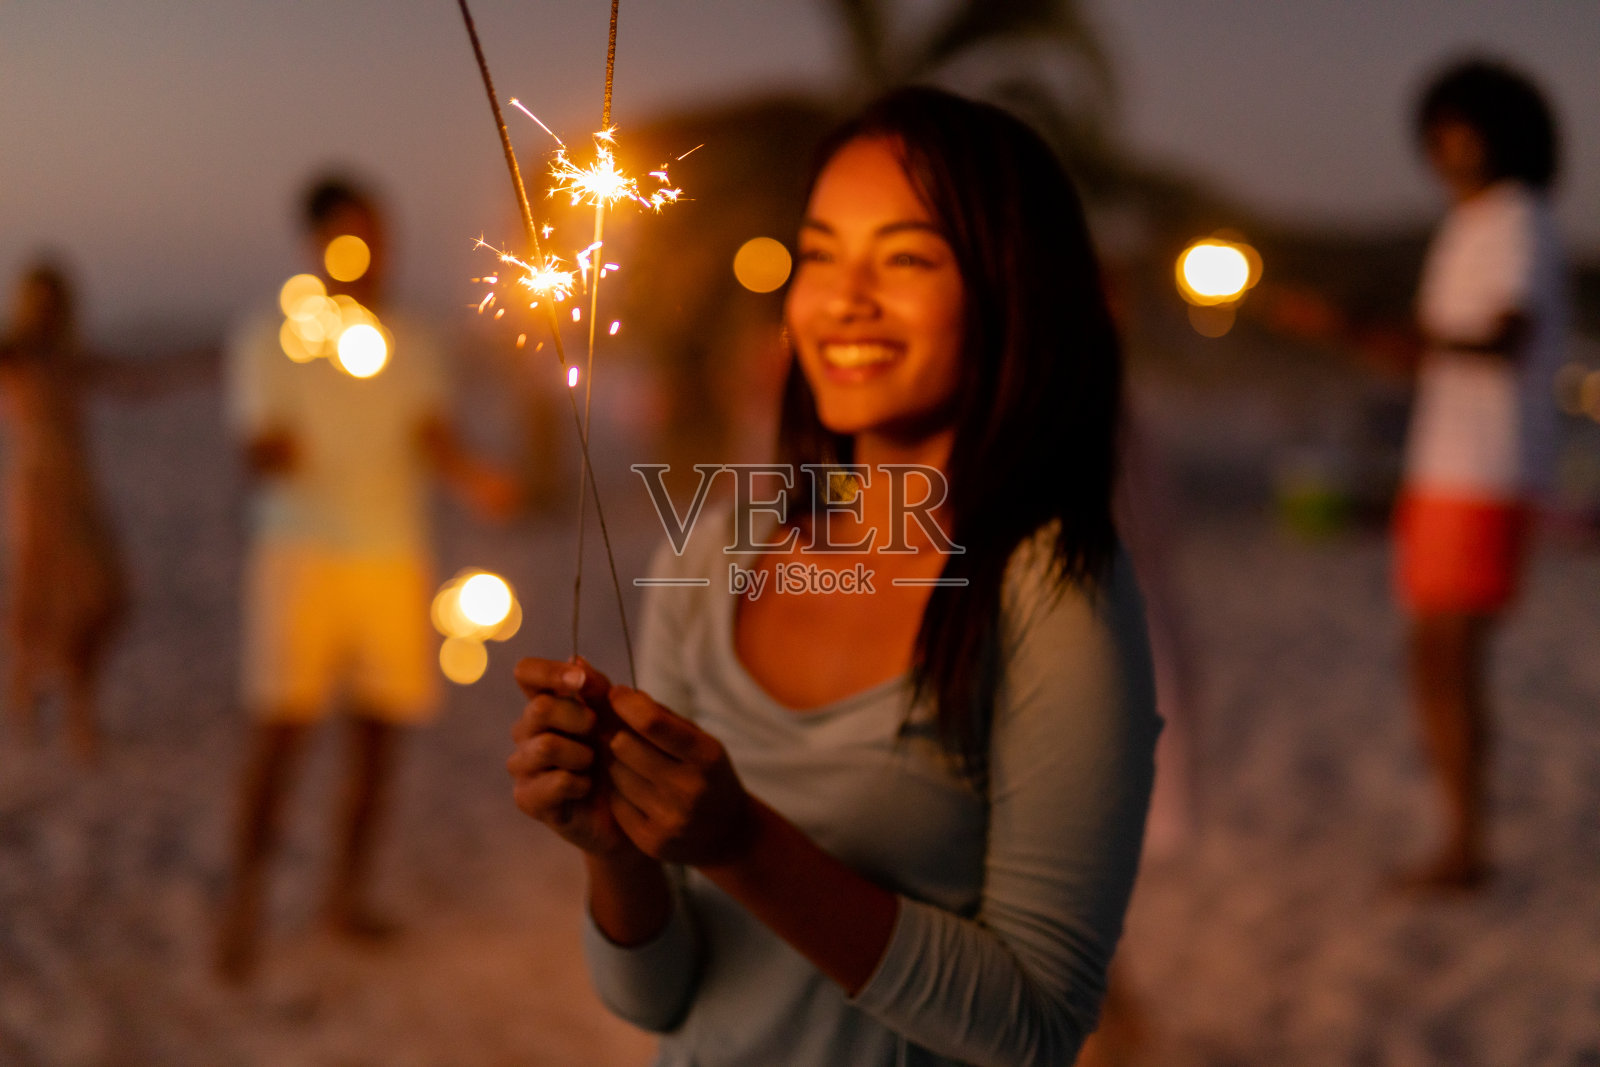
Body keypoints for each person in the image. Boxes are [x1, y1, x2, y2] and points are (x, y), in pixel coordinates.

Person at [509, 88, 1160, 1065]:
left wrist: (742, 843)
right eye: (818, 253)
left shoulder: (1053, 592)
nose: (844, 296)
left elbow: (1036, 1023)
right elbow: (657, 996)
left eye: (905, 256)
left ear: (1008, 284)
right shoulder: (714, 551)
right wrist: (615, 848)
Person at [214, 175, 517, 982]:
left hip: (391, 553)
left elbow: (432, 434)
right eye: (349, 237)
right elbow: (257, 445)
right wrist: (276, 450)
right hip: (300, 556)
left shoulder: (414, 341)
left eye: (378, 235)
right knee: (282, 733)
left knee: (379, 738)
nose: (369, 253)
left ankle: (343, 897)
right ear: (313, 245)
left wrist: (477, 479)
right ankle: (242, 906)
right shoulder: (270, 336)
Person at [1392, 59, 1567, 892]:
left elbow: (1505, 339)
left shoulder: (1519, 219)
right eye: (1438, 129)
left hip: (1486, 469)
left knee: (1451, 656)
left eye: (1461, 127)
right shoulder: (1465, 224)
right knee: (1430, 656)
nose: (1444, 145)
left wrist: (1408, 340)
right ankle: (1460, 834)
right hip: (1442, 467)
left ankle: (1467, 845)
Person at [0, 261, 129, 763]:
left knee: (102, 597)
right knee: (42, 598)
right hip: (37, 489)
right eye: (39, 299)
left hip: (78, 487)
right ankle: (43, 693)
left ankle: (57, 693)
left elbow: (133, 378)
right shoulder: (16, 356)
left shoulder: (71, 358)